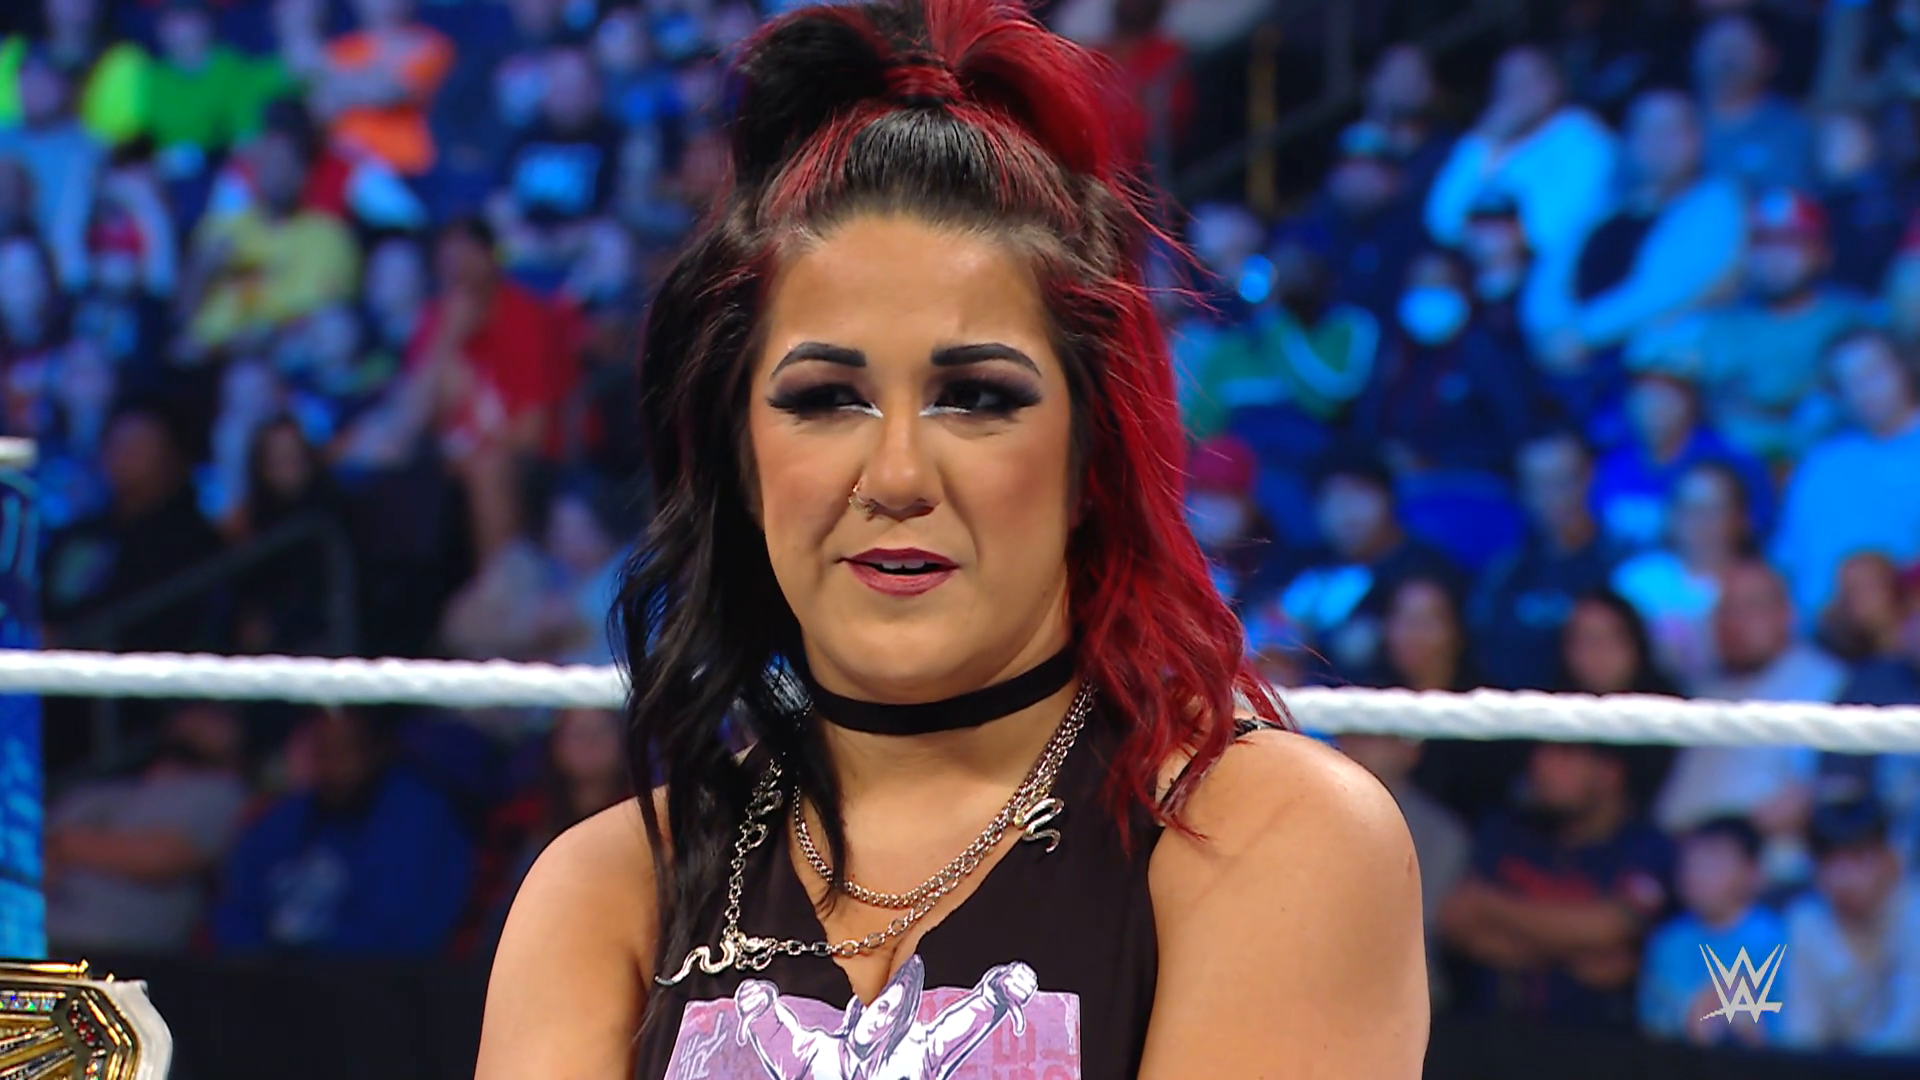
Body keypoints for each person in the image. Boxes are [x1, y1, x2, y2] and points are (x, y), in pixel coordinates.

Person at [477, 3, 1428, 1077]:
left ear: (1091, 456)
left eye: (975, 398)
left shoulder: (1274, 836)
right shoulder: (605, 889)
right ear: (741, 460)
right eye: (825, 399)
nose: (896, 477)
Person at [1438, 740, 1676, 1032]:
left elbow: (1609, 928)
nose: (1542, 767)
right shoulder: (1505, 830)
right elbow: (1456, 921)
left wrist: (1491, 905)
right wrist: (1574, 954)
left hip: (1600, 1041)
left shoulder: (1647, 847)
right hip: (1488, 1032)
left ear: (1610, 772)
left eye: (1564, 755)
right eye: (1541, 753)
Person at [211, 706, 474, 955]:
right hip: (268, 976)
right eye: (323, 752)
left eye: (344, 752)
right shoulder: (290, 815)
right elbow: (236, 907)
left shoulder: (420, 818)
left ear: (377, 751)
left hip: (377, 979)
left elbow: (401, 934)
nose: (331, 767)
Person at [1773, 330, 1920, 623]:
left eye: (1873, 373)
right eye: (1848, 381)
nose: (1864, 389)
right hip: (1818, 630)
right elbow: (1789, 561)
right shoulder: (1821, 464)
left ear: (1904, 369)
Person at [1425, 45, 1617, 267]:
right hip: (1484, 270)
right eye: (1505, 83)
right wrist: (1481, 142)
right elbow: (1443, 222)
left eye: (1525, 81)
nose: (1513, 92)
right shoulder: (1489, 141)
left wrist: (1492, 233)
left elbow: (1550, 230)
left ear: (1553, 85)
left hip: (1559, 268)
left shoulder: (1585, 139)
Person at [1780, 799, 1920, 1054]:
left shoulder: (1914, 913)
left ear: (1890, 858)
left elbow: (1910, 1032)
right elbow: (1801, 1037)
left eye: (1858, 857)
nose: (1843, 876)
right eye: (1830, 861)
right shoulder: (1806, 922)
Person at [1637, 816, 1788, 1047]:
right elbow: (1652, 1020)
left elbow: (1792, 1024)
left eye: (1713, 863)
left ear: (1753, 872)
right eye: (1691, 861)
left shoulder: (1776, 938)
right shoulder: (1667, 940)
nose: (1697, 873)